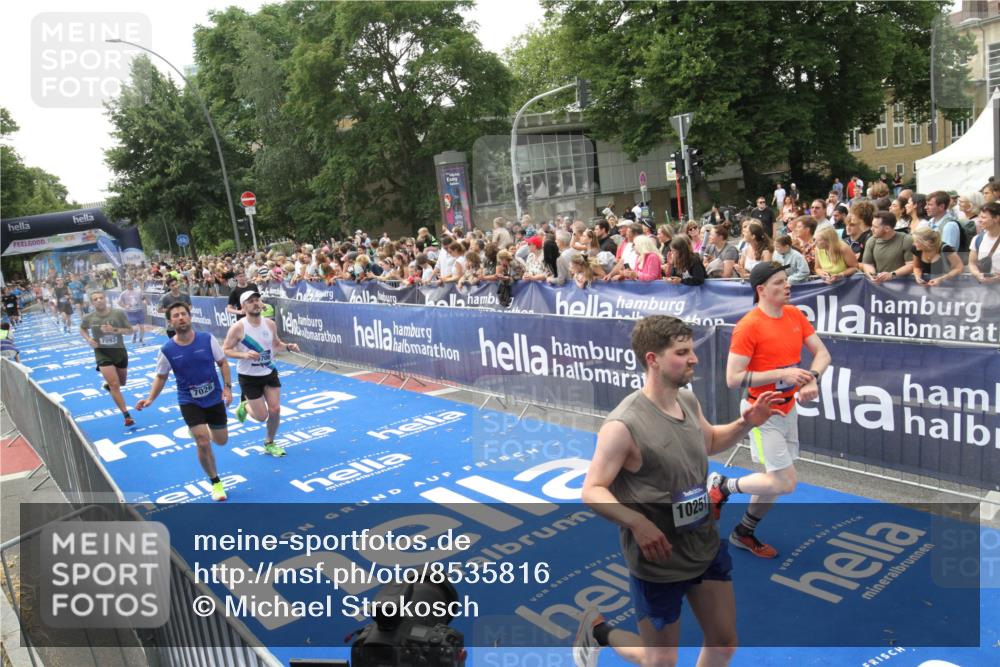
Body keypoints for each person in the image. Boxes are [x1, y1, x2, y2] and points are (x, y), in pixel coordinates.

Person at [573, 315, 781, 667]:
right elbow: (592, 489)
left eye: (692, 350)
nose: (694, 359)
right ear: (653, 359)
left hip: (703, 545)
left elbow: (711, 441)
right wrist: (637, 523)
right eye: (682, 352)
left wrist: (746, 423)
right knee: (661, 662)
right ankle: (599, 633)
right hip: (659, 562)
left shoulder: (687, 400)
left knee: (724, 643)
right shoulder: (623, 425)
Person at [707, 262, 831, 559]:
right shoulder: (749, 325)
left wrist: (810, 378)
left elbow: (823, 354)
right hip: (760, 413)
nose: (787, 286)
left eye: (787, 280)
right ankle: (723, 485)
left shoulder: (794, 315)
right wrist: (785, 374)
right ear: (761, 290)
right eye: (779, 282)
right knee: (784, 481)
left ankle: (744, 532)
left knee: (773, 480)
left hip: (788, 410)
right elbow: (732, 378)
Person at [136, 302, 235, 502]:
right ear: (170, 322)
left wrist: (227, 388)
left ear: (190, 317)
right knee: (202, 441)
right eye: (175, 316)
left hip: (214, 398)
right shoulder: (167, 350)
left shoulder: (207, 339)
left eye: (183, 314)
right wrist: (150, 398)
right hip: (189, 400)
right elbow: (161, 377)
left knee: (222, 441)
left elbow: (223, 363)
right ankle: (215, 482)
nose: (180, 317)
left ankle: (202, 433)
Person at [222, 291, 300, 457]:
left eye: (257, 300)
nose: (256, 303)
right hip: (248, 377)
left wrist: (288, 347)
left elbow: (276, 344)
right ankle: (244, 405)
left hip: (269, 371)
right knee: (261, 416)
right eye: (251, 301)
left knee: (275, 409)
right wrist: (244, 355)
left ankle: (269, 443)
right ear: (243, 307)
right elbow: (226, 350)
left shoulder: (270, 324)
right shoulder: (238, 328)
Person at [80, 291, 135, 427]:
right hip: (102, 353)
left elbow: (130, 331)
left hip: (119, 352)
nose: (99, 300)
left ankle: (108, 386)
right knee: (114, 385)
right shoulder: (89, 317)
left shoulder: (118, 313)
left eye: (101, 298)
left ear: (106, 299)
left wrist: (114, 330)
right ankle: (126, 415)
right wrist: (89, 339)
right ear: (92, 303)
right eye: (95, 299)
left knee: (121, 382)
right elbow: (82, 328)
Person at [860, 211, 914, 282]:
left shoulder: (906, 240)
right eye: (872, 225)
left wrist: (892, 274)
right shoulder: (871, 241)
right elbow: (867, 263)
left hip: (903, 284)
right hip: (881, 285)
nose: (871, 229)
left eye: (875, 227)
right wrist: (873, 275)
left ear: (887, 229)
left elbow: (912, 265)